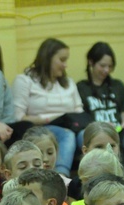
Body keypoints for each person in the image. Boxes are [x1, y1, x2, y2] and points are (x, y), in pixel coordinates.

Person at [13, 38, 83, 176]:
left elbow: (79, 111)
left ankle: (99, 173)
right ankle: (61, 177)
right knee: (67, 135)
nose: (65, 65)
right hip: (42, 128)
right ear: (48, 58)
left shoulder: (68, 82)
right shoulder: (25, 80)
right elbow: (18, 117)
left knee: (88, 134)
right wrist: (51, 118)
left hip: (71, 125)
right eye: (62, 60)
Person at [77, 42, 124, 146]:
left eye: (110, 66)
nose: (106, 70)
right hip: (96, 133)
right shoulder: (81, 88)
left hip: (119, 132)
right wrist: (99, 125)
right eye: (102, 65)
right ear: (91, 62)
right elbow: (80, 118)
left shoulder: (118, 85)